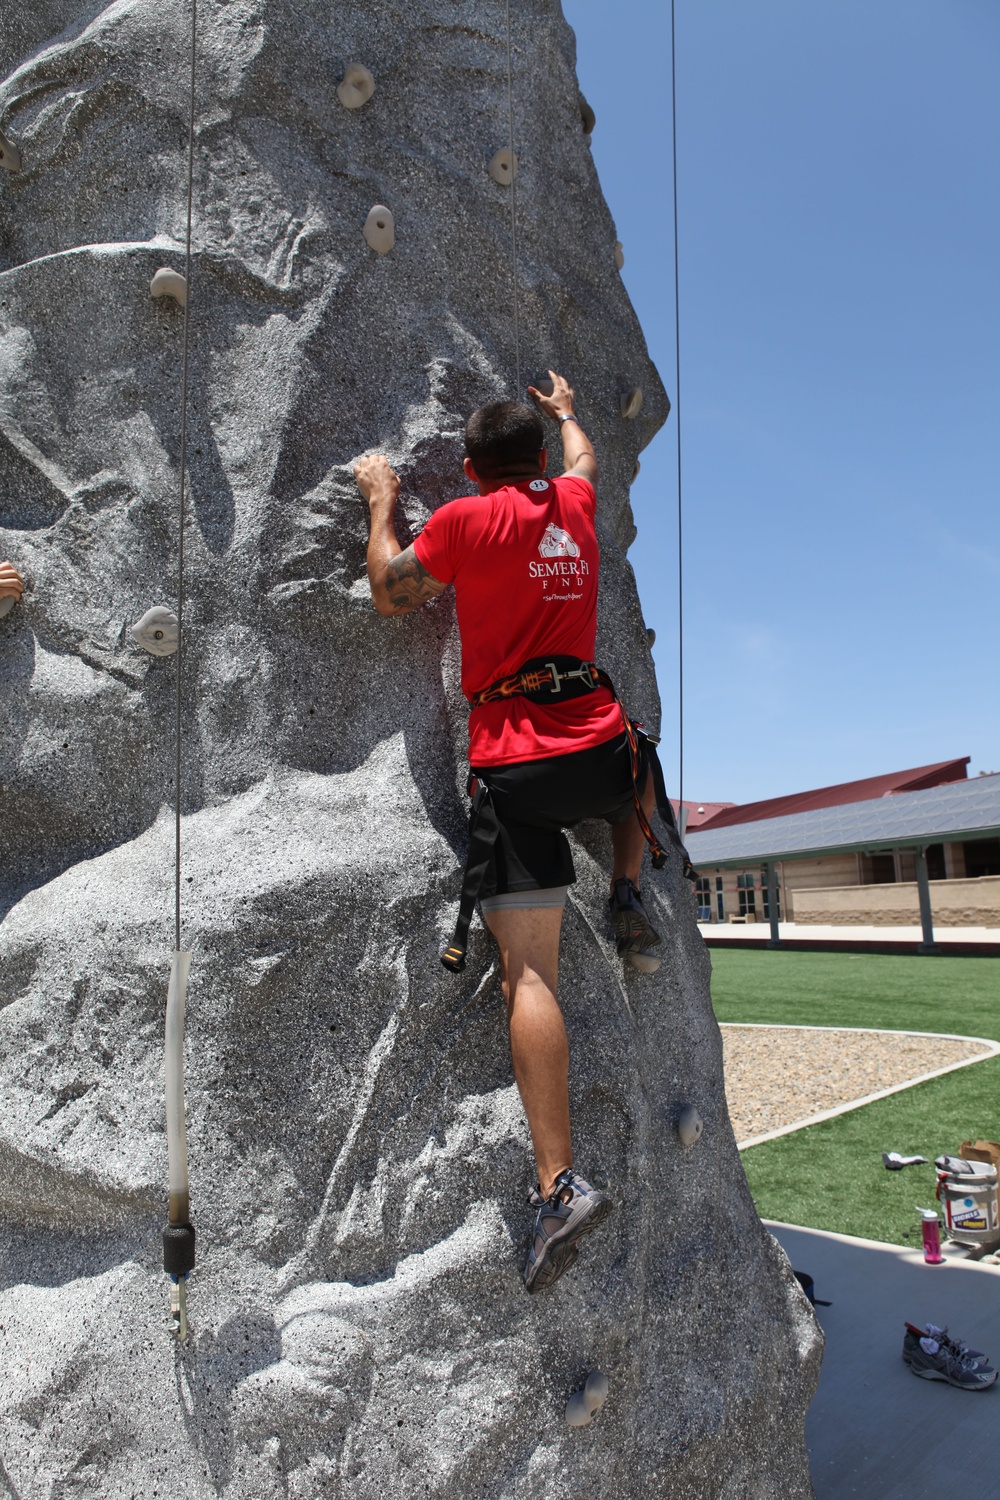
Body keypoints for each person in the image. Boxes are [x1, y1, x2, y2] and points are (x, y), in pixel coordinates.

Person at [355, 371, 665, 1294]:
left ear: (469, 467)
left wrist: (383, 504)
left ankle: (557, 1182)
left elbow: (388, 593)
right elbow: (586, 460)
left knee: (531, 974)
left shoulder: (461, 521)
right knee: (639, 762)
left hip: (515, 758)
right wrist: (569, 412)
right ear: (535, 459)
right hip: (593, 741)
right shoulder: (572, 499)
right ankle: (626, 885)